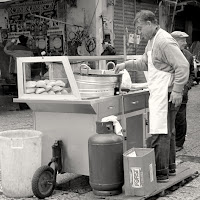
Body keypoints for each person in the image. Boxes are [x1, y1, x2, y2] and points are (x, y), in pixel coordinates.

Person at [115, 10, 189, 182]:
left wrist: (178, 90)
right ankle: (168, 169)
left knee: (159, 132)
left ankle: (160, 173)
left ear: (150, 23)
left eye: (140, 28)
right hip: (160, 92)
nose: (139, 32)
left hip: (167, 93)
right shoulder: (151, 42)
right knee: (166, 132)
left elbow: (183, 66)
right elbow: (144, 63)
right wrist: (125, 65)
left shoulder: (163, 41)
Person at [171, 31, 195, 152]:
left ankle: (179, 143)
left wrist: (186, 87)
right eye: (182, 41)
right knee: (170, 118)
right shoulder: (168, 54)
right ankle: (170, 141)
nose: (185, 43)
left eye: (185, 40)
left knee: (180, 119)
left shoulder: (188, 55)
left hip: (182, 93)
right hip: (169, 91)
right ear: (174, 41)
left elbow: (192, 74)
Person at [4, 35, 33, 110]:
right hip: (27, 72)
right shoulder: (29, 50)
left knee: (19, 89)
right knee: (27, 88)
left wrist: (11, 42)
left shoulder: (14, 49)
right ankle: (28, 105)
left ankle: (22, 106)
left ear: (19, 41)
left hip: (19, 72)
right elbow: (32, 61)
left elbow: (6, 49)